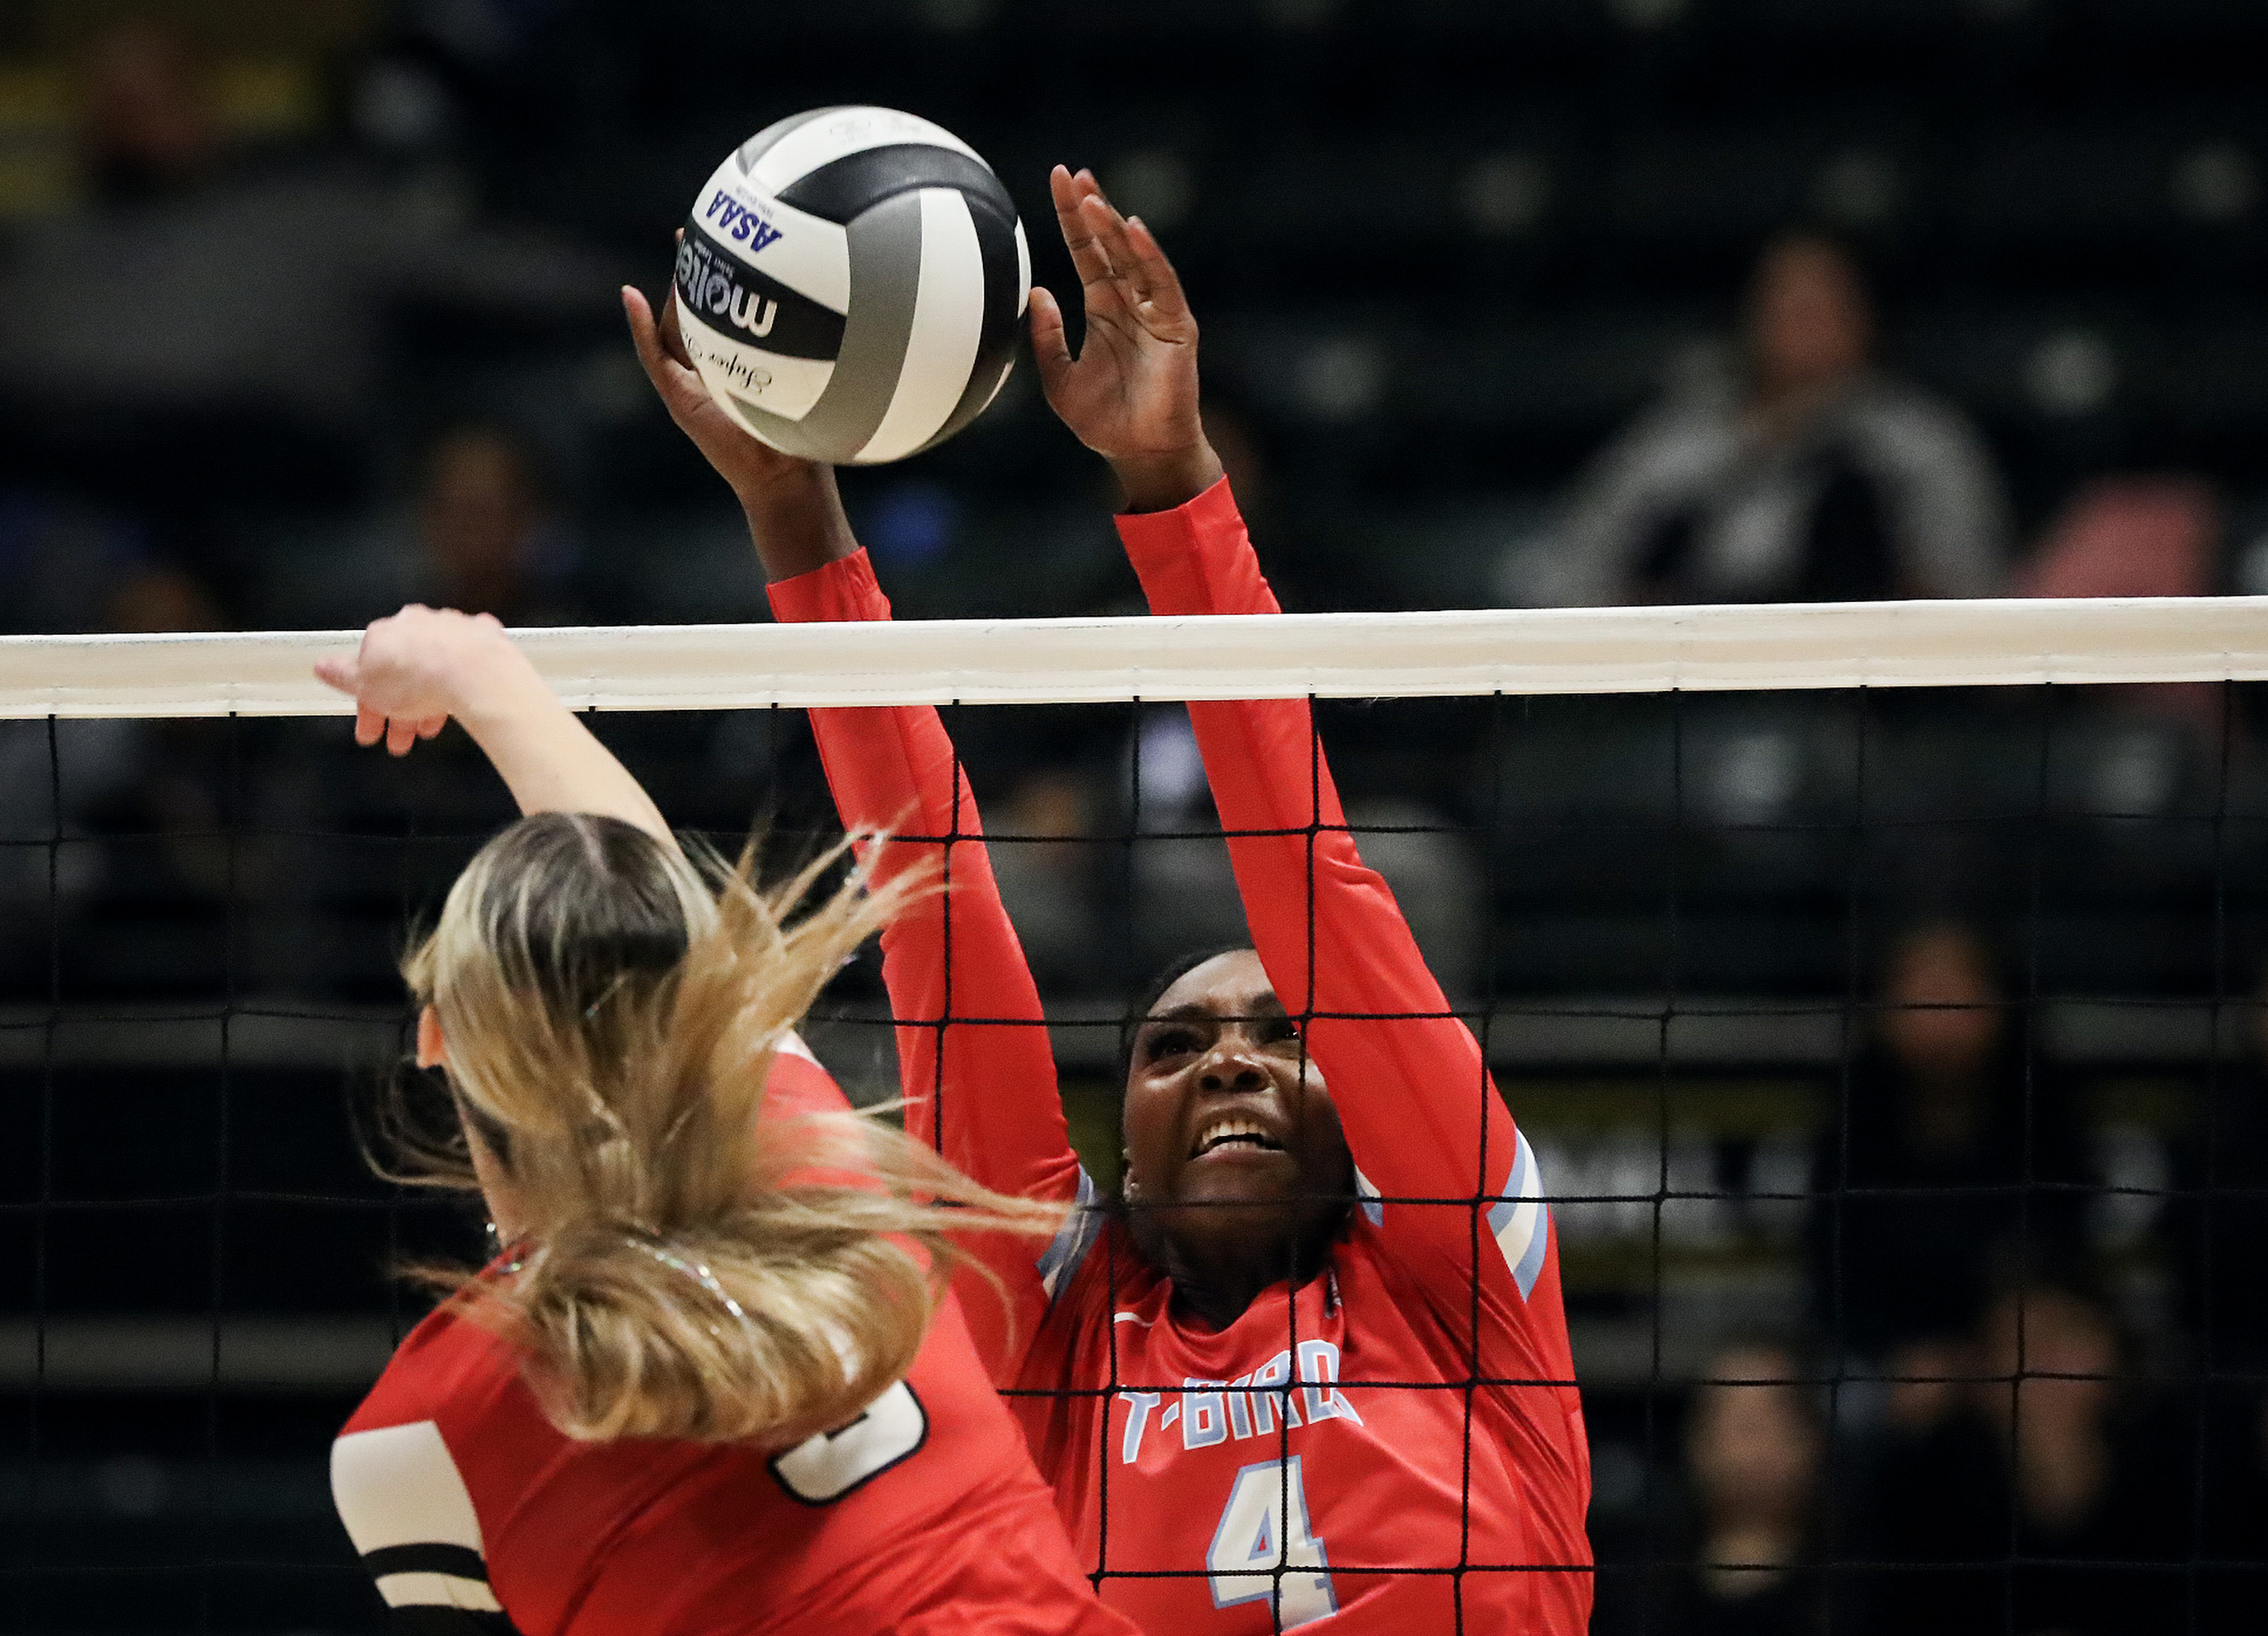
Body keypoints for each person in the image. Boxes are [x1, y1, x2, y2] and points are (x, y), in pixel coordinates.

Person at [624, 165, 1592, 1634]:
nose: (1228, 1056)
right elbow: (936, 913)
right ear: (1114, 1148)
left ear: (1369, 1104)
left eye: (1283, 1029)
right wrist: (795, 512)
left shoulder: (1458, 1263)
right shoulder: (1063, 1328)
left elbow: (1310, 870)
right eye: (1171, 1042)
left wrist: (1172, 485)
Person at [313, 607, 1136, 1635]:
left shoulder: (412, 1436)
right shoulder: (813, 1176)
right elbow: (673, 946)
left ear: (434, 1039)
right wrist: (483, 675)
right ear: (697, 1021)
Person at [1539, 233, 2007, 606]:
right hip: (1690, 684)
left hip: (1858, 690)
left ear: (1863, 319)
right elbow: (1576, 574)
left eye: (1821, 305)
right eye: (1783, 305)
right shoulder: (1679, 439)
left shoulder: (1919, 439)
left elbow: (1971, 594)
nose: (1801, 323)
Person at [1807, 920, 2092, 1367]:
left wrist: (1973, 1355)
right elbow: (1833, 1276)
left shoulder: (2047, 1110)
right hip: (1879, 1358)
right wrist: (1895, 1356)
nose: (1939, 1017)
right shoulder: (1851, 1120)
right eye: (1919, 993)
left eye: (1958, 993)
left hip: (2012, 1350)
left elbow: (2061, 1251)